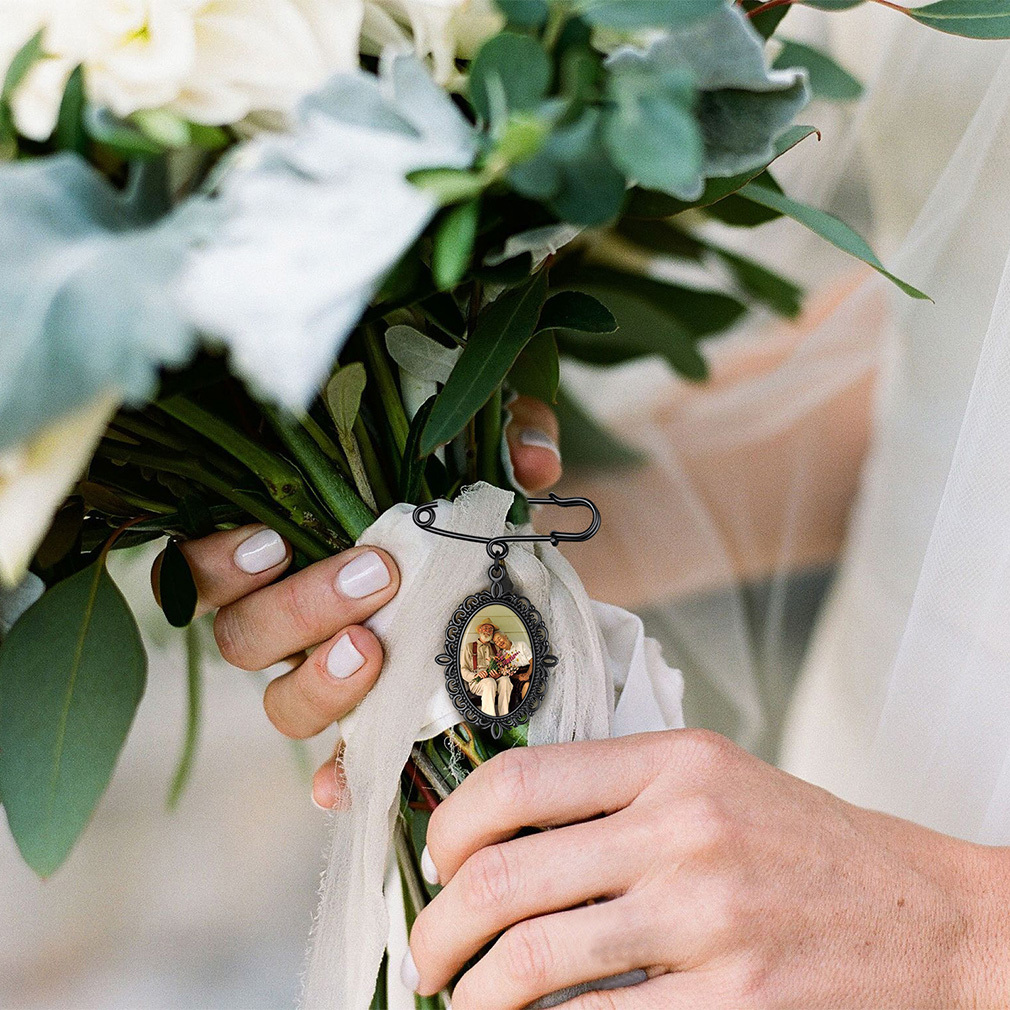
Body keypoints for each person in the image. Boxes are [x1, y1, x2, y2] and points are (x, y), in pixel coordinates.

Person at [157, 391, 1010, 1008]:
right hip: (851, 786)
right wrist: (428, 535)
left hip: (861, 906)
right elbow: (942, 417)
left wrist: (961, 939)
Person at [462, 621, 511, 718]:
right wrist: (476, 675)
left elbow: (502, 666)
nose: (487, 631)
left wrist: (499, 674)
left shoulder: (496, 648)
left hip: (495, 679)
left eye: (490, 629)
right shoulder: (469, 647)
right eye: (485, 628)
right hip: (477, 682)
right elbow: (463, 669)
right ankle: (489, 718)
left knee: (505, 680)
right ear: (480, 630)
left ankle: (504, 717)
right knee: (489, 682)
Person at [492, 629, 533, 712]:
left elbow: (532, 662)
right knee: (523, 685)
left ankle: (524, 711)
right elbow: (507, 673)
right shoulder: (502, 656)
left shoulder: (521, 644)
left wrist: (528, 674)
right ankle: (521, 711)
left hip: (529, 670)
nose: (499, 642)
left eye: (499, 639)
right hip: (516, 676)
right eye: (496, 642)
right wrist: (518, 677)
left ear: (505, 636)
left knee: (529, 684)